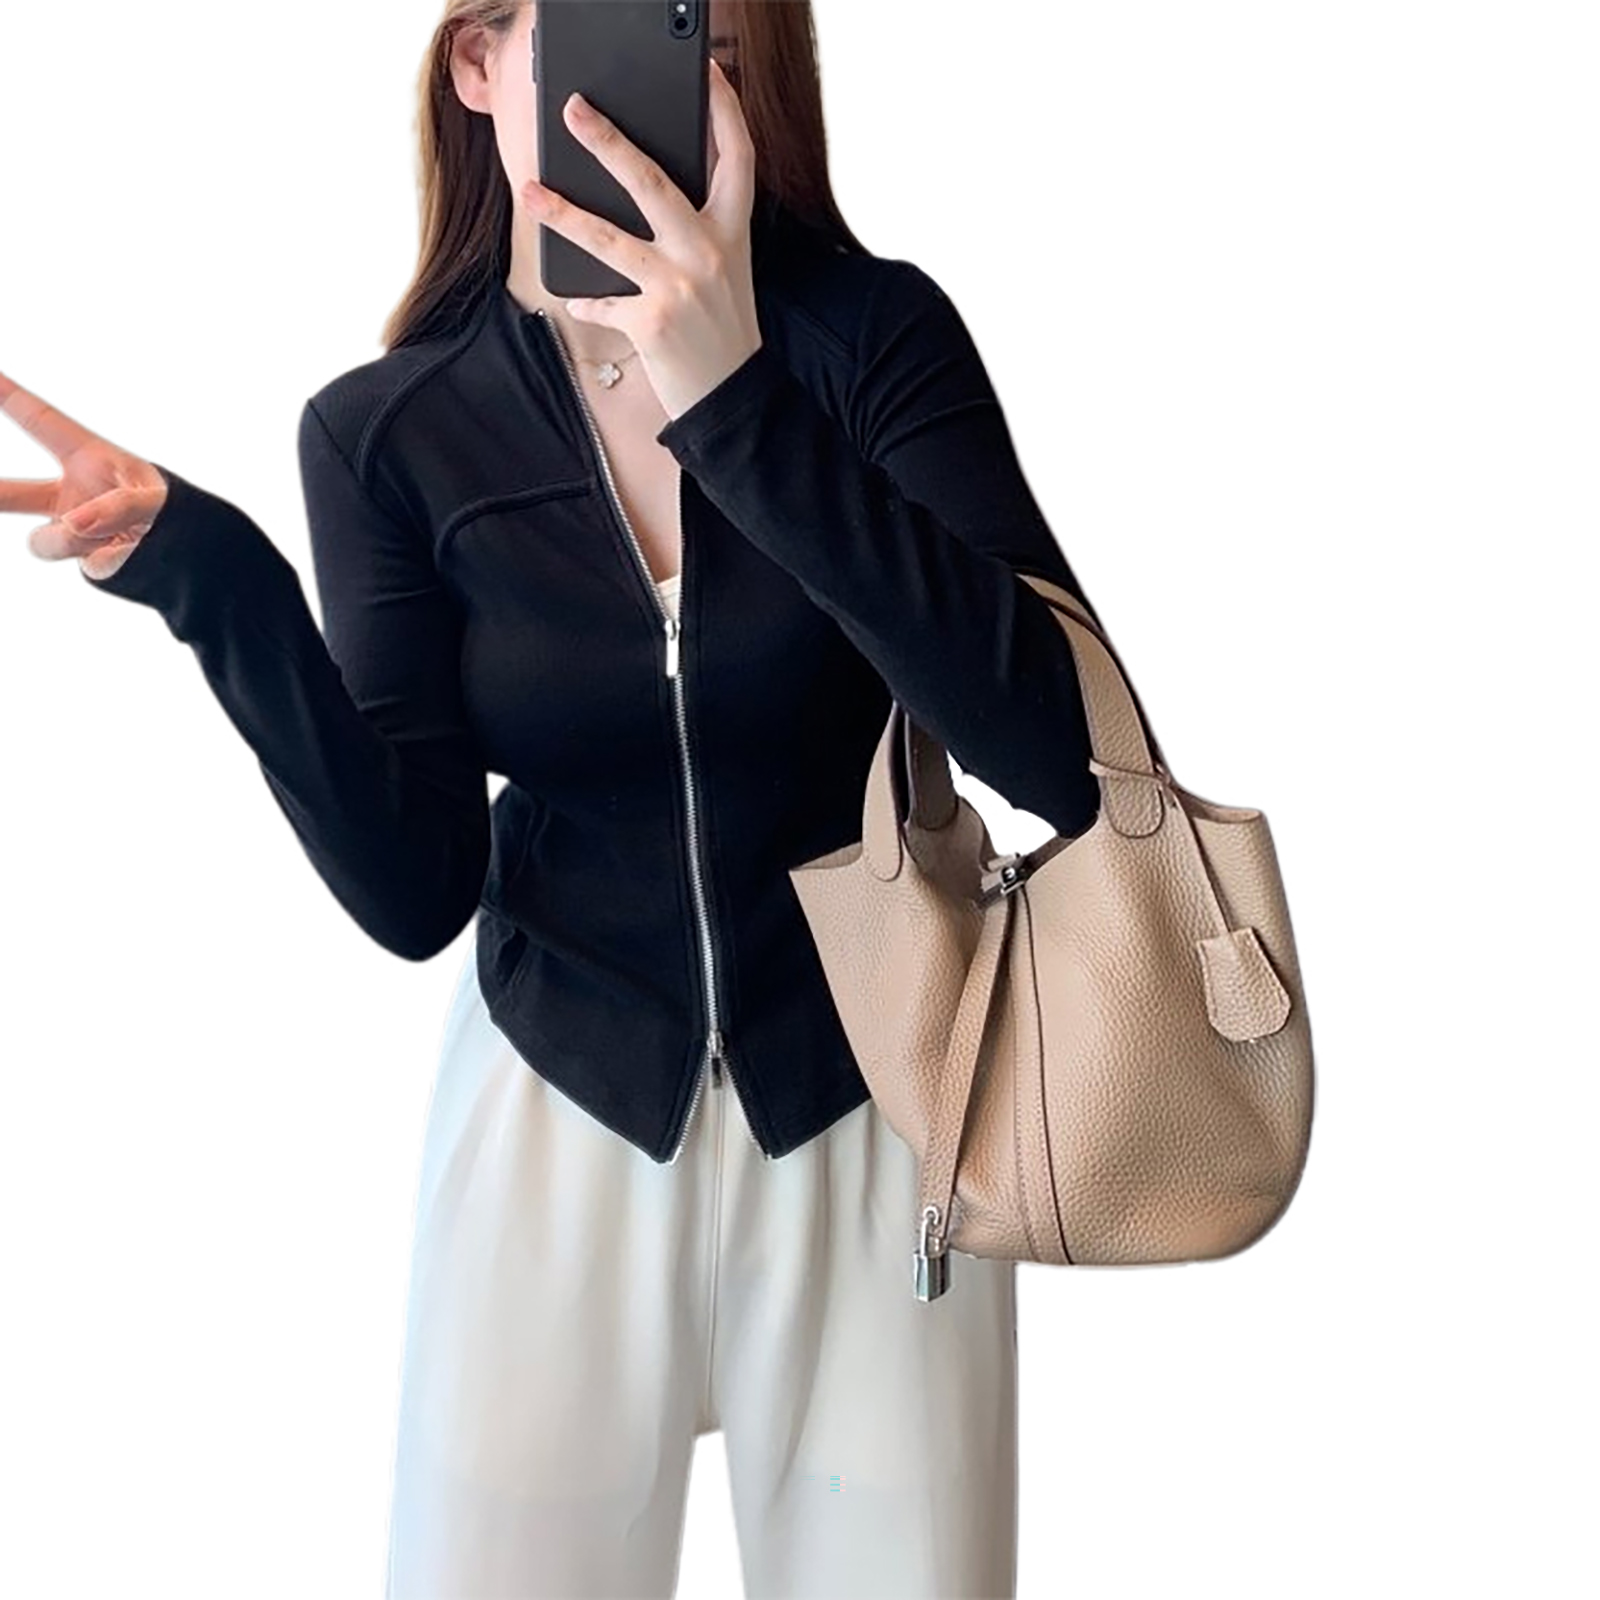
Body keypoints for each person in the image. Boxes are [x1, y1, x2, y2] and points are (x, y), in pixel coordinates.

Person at [2, 2, 1107, 1594]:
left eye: (702, 34)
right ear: (478, 63)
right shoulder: (391, 431)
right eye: (599, 20)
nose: (660, 82)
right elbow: (414, 890)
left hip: (881, 1104)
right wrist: (213, 578)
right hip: (557, 1113)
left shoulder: (871, 341)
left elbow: (1060, 754)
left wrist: (731, 397)